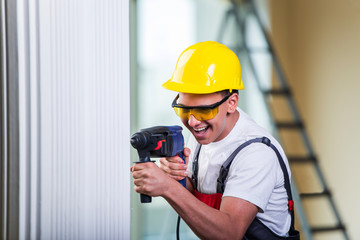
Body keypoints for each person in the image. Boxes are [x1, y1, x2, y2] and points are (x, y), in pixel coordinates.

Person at [131, 41, 299, 239]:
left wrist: (168, 188)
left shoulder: (256, 153)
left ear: (231, 103)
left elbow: (229, 233)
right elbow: (200, 191)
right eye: (184, 109)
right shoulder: (204, 135)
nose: (192, 122)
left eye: (203, 110)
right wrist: (176, 178)